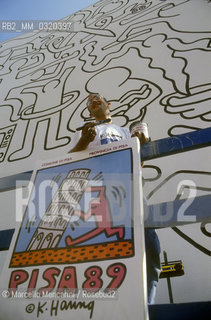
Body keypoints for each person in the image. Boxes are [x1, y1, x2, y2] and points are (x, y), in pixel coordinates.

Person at [69, 93, 161, 304]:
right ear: (89, 111)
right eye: (89, 101)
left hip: (130, 190)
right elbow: (70, 160)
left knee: (150, 248)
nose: (93, 100)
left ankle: (146, 307)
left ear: (107, 103)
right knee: (107, 256)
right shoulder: (83, 131)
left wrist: (140, 145)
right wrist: (84, 141)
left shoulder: (124, 131)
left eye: (97, 98)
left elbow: (137, 164)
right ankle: (109, 309)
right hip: (99, 195)